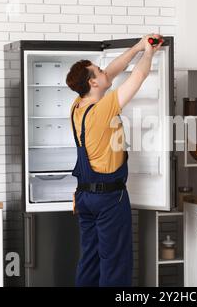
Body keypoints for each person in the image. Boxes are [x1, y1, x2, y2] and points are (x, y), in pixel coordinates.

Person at [66, 34, 163, 287]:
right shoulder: (103, 109)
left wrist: (140, 46)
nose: (104, 71)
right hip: (109, 198)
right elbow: (138, 77)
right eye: (99, 70)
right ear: (93, 82)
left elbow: (113, 69)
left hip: (85, 197)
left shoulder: (78, 105)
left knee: (90, 260)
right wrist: (149, 53)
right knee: (115, 263)